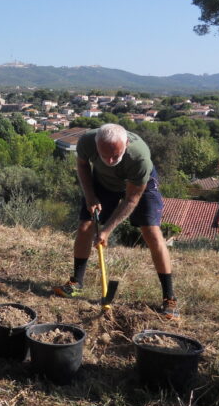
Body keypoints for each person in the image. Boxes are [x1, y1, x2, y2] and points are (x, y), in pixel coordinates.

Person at [53, 123, 180, 319]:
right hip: (104, 182)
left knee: (151, 232)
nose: (111, 160)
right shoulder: (87, 141)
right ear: (96, 145)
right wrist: (90, 196)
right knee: (85, 225)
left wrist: (106, 230)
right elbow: (82, 165)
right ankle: (76, 282)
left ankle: (169, 298)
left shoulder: (139, 158)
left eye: (116, 155)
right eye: (105, 156)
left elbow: (131, 199)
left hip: (140, 186)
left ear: (126, 143)